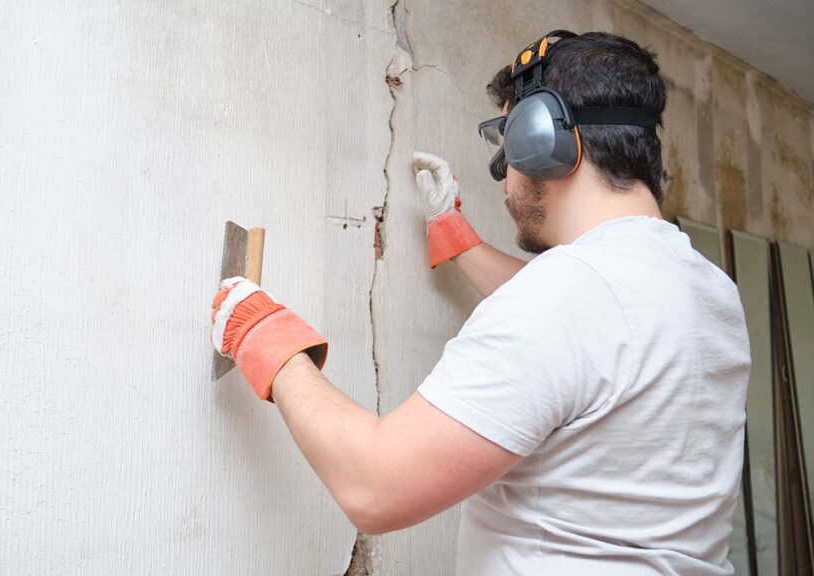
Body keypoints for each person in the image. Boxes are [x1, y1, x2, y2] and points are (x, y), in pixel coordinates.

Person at [209, 30, 750, 575]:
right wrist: (454, 233)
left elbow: (374, 487)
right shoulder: (706, 289)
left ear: (545, 137)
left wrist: (267, 338)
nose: (504, 173)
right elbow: (592, 336)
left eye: (508, 139)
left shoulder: (567, 297)